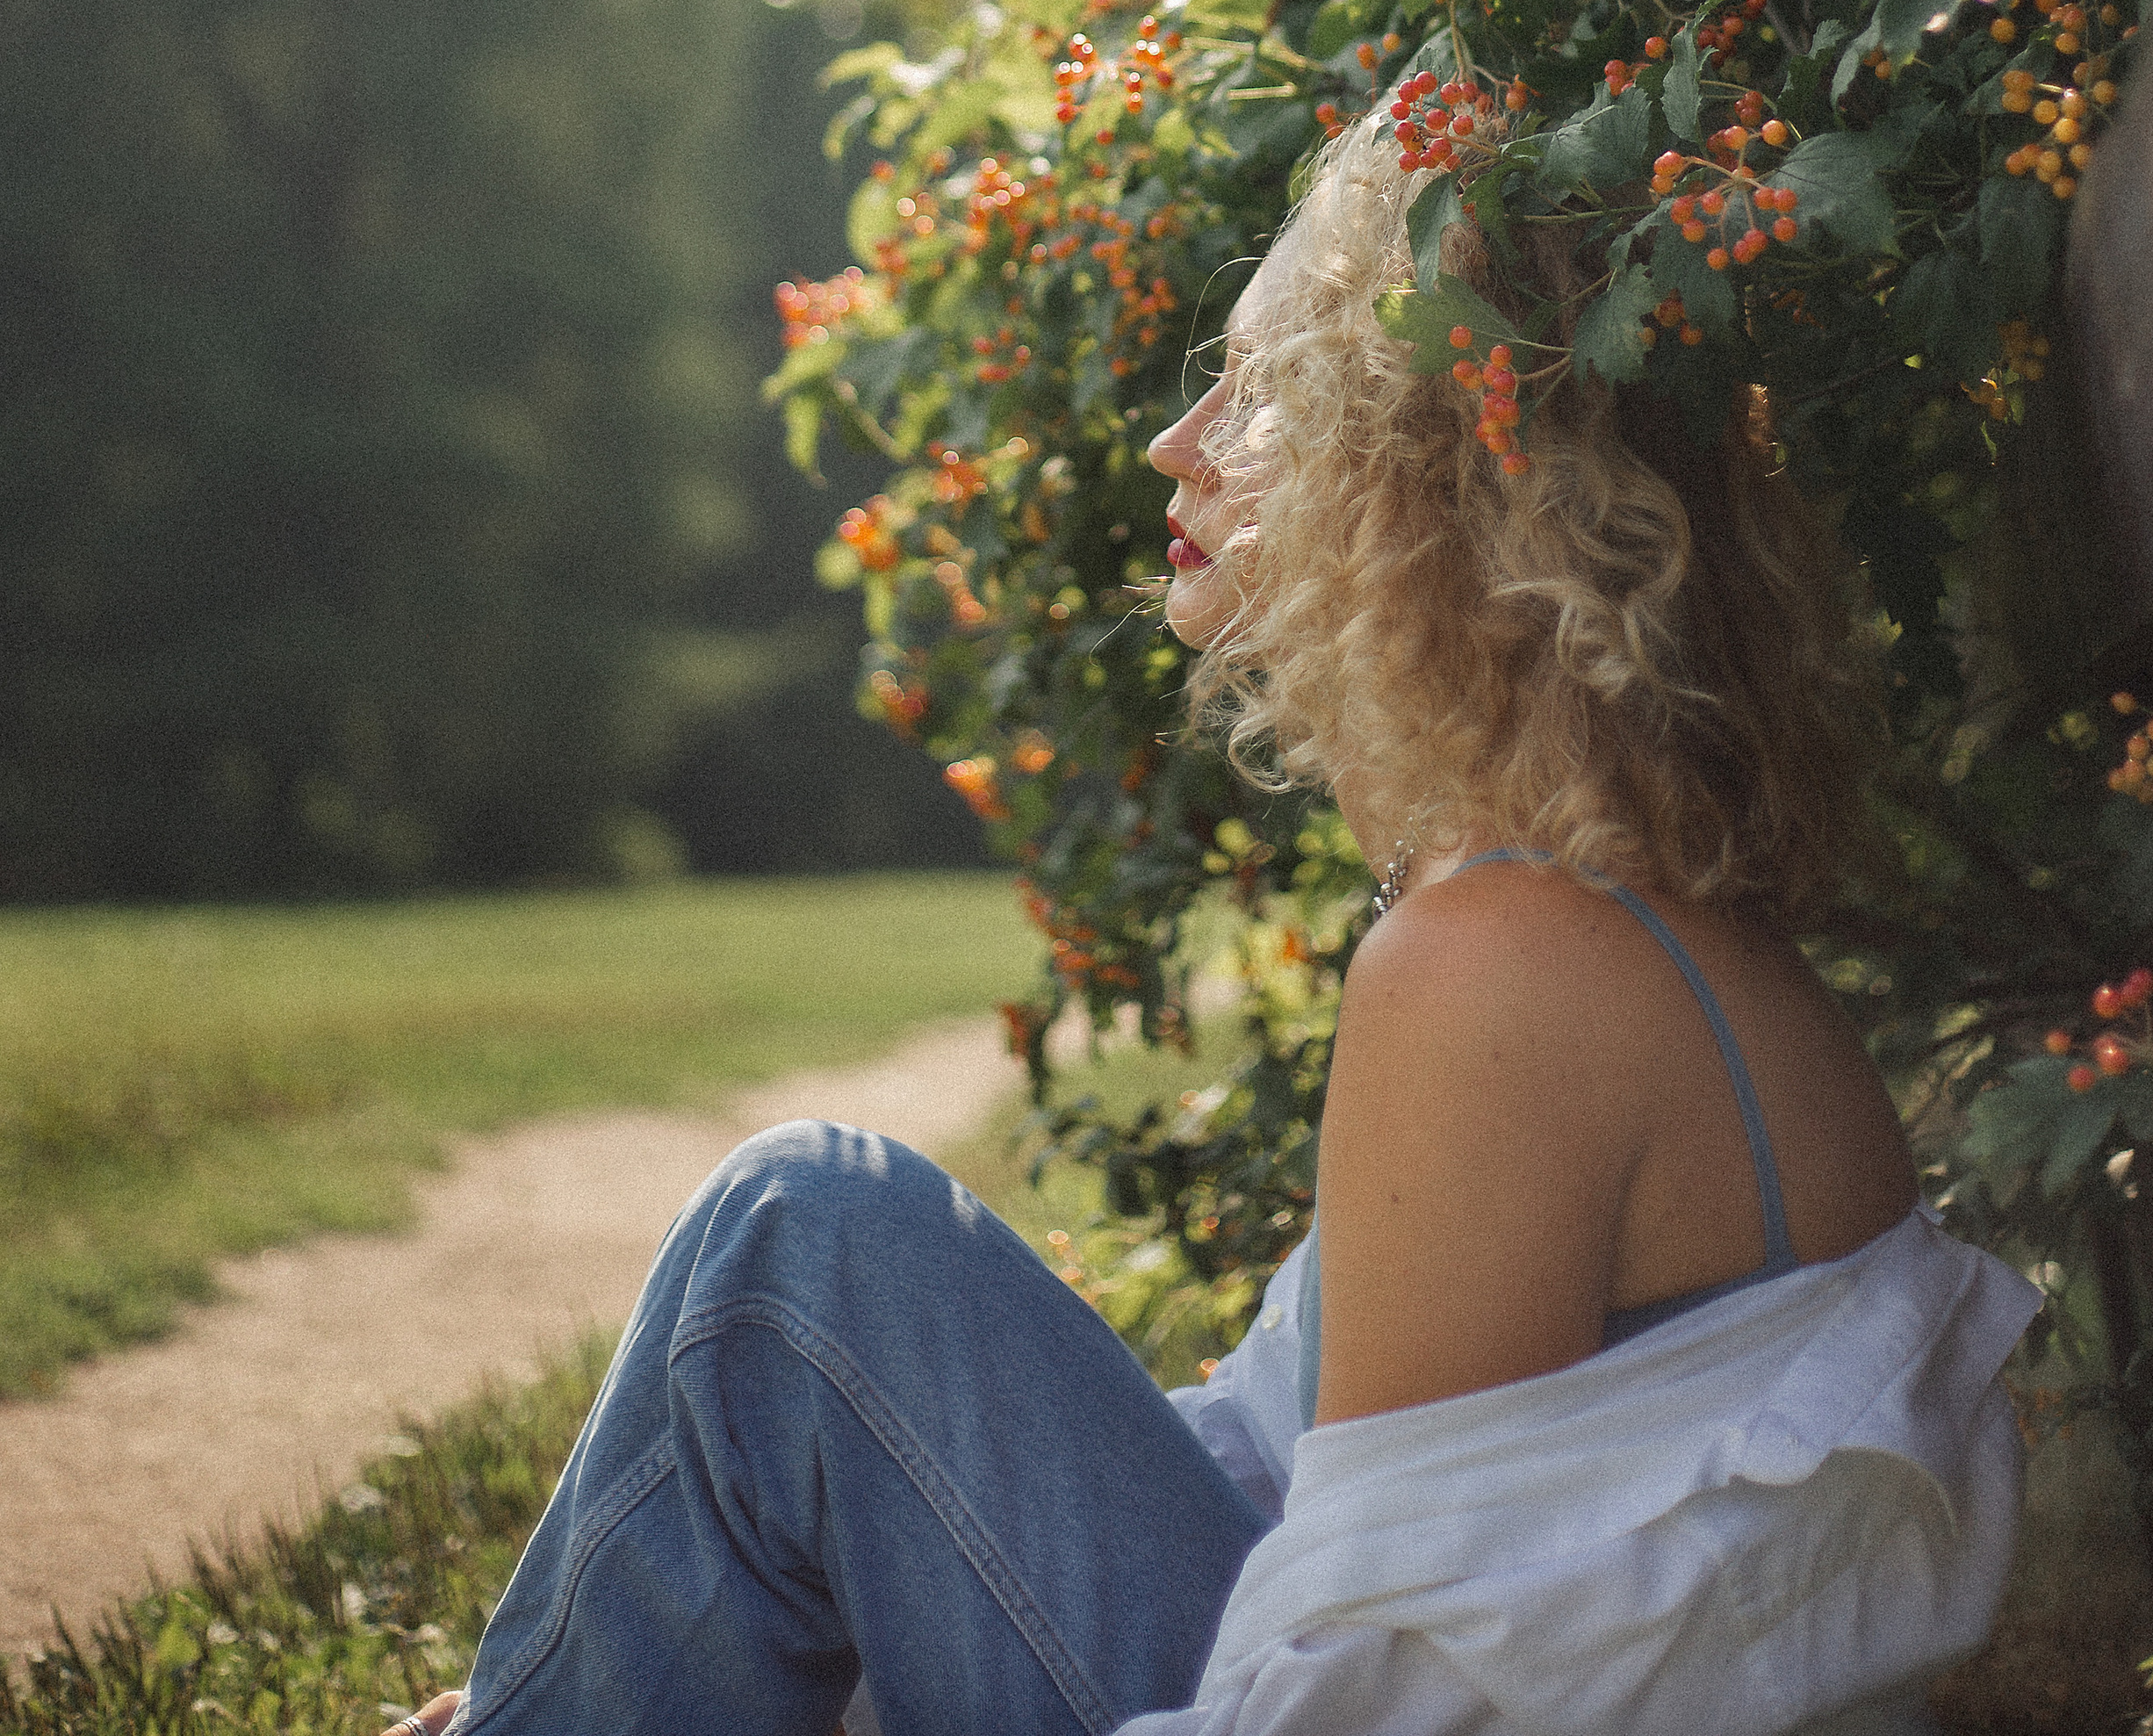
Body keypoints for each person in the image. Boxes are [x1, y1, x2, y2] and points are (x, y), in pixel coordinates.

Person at [405, 111, 2036, 1736]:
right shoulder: (1595, 929)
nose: (1181, 443)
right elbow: (1285, 1497)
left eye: (1261, 394)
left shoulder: (1506, 968)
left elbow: (1341, 1698)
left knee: (799, 1244)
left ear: (1423, 464)